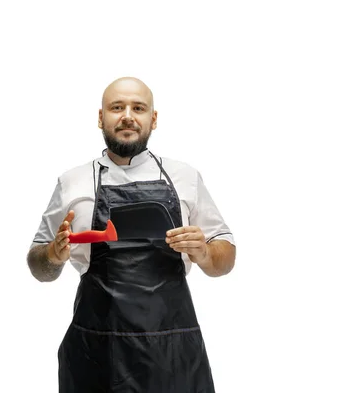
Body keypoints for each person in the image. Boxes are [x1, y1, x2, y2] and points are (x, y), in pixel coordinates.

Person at [27, 76, 236, 392]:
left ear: (153, 119)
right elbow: (38, 265)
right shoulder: (73, 182)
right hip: (96, 352)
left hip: (173, 352)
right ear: (101, 117)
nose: (127, 115)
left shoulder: (185, 177)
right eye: (116, 107)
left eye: (138, 108)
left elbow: (225, 257)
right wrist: (52, 256)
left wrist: (205, 253)